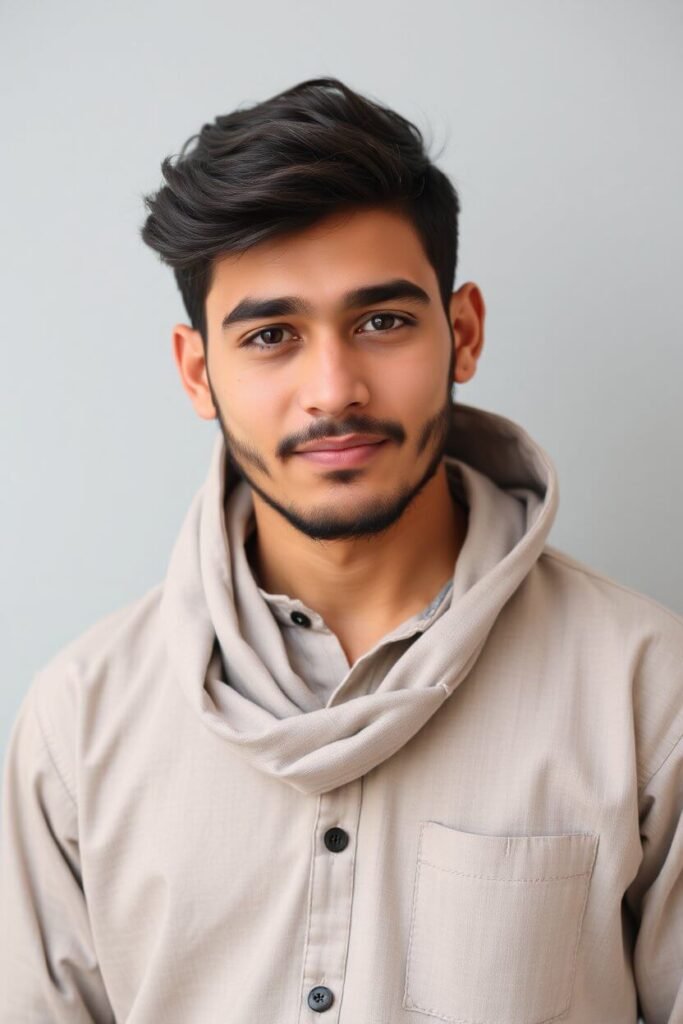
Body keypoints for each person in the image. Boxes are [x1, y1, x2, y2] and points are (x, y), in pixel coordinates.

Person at [1, 76, 681, 1024]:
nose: (333, 389)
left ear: (464, 332)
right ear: (200, 372)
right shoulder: (79, 722)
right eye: (271, 335)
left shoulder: (647, 691)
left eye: (382, 322)